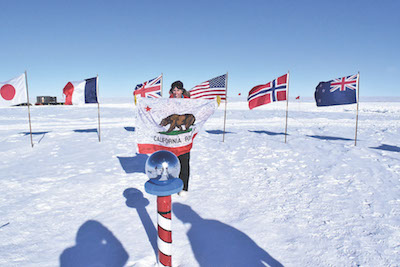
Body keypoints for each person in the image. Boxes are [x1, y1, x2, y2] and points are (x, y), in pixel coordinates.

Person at [169, 81, 191, 196]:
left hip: (184, 138)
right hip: (171, 138)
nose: (176, 92)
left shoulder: (189, 102)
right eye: (174, 90)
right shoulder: (167, 102)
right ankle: (172, 183)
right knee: (171, 162)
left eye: (178, 90)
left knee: (184, 162)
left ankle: (184, 187)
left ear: (182, 90)